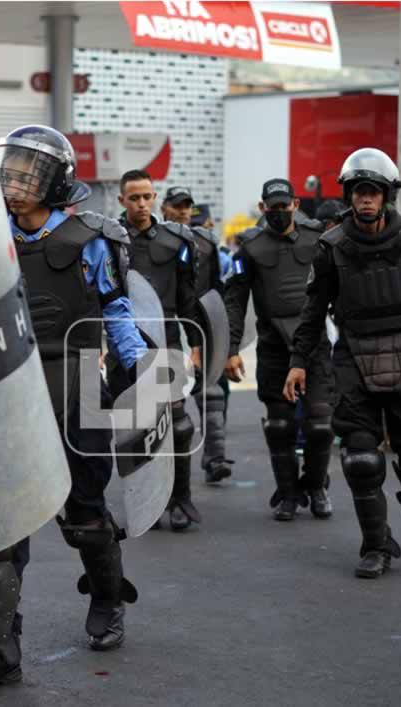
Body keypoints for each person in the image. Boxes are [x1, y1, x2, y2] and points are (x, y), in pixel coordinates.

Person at [0, 126, 149, 696]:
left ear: (55, 182)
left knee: (84, 512)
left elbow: (115, 309)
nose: (11, 182)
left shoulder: (93, 237)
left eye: (24, 173)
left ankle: (108, 599)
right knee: (2, 524)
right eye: (7, 170)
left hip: (79, 381)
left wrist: (143, 372)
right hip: (8, 383)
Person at [284, 148, 401, 579]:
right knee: (361, 459)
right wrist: (298, 361)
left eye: (373, 192)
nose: (365, 199)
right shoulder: (331, 247)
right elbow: (313, 310)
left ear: (386, 197)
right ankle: (376, 544)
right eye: (359, 192)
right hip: (354, 357)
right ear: (349, 195)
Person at [225, 179, 335, 521]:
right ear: (262, 208)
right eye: (271, 207)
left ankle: (315, 486)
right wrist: (231, 349)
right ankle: (288, 494)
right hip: (273, 349)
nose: (278, 212)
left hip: (314, 346)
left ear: (296, 204)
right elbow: (234, 300)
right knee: (280, 426)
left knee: (320, 426)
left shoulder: (319, 240)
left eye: (283, 205)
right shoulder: (249, 247)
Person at [114, 170, 204, 530]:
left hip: (168, 342)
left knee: (178, 426)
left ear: (155, 198)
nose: (141, 204)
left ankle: (181, 499)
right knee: (135, 427)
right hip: (125, 342)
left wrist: (196, 346)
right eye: (134, 198)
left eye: (147, 197)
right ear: (122, 200)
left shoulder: (175, 241)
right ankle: (145, 500)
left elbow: (188, 300)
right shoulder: (109, 241)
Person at [161, 186, 233, 484]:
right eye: (177, 205)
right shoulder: (153, 240)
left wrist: (227, 342)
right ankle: (163, 477)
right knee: (164, 404)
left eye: (187, 206)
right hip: (164, 329)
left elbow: (219, 291)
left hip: (202, 329)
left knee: (213, 394)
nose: (183, 210)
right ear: (164, 207)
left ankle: (215, 457)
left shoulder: (206, 243)